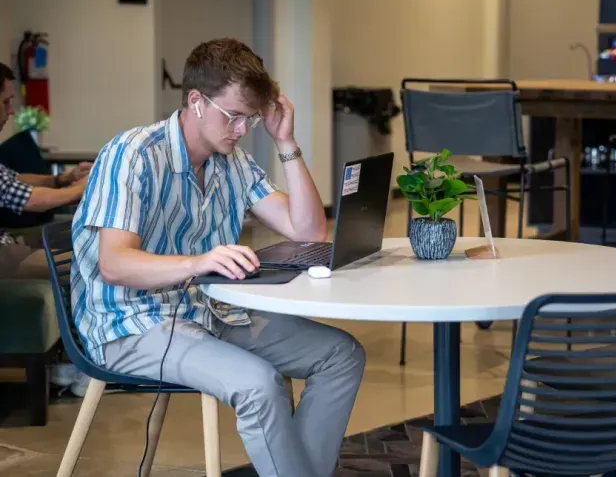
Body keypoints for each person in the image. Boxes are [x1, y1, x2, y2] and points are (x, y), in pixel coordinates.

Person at [70, 38, 365, 477]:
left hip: (210, 312)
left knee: (341, 355)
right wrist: (198, 262)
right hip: (131, 323)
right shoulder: (132, 154)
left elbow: (309, 231)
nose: (242, 130)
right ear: (196, 101)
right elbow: (114, 264)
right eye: (235, 117)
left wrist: (286, 141)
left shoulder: (232, 162)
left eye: (250, 119)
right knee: (259, 384)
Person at [0, 62, 91, 279]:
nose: (12, 111)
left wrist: (63, 179)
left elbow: (14, 180)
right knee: (90, 265)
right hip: (3, 255)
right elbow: (30, 200)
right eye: (6, 102)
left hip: (7, 241)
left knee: (85, 244)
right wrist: (83, 187)